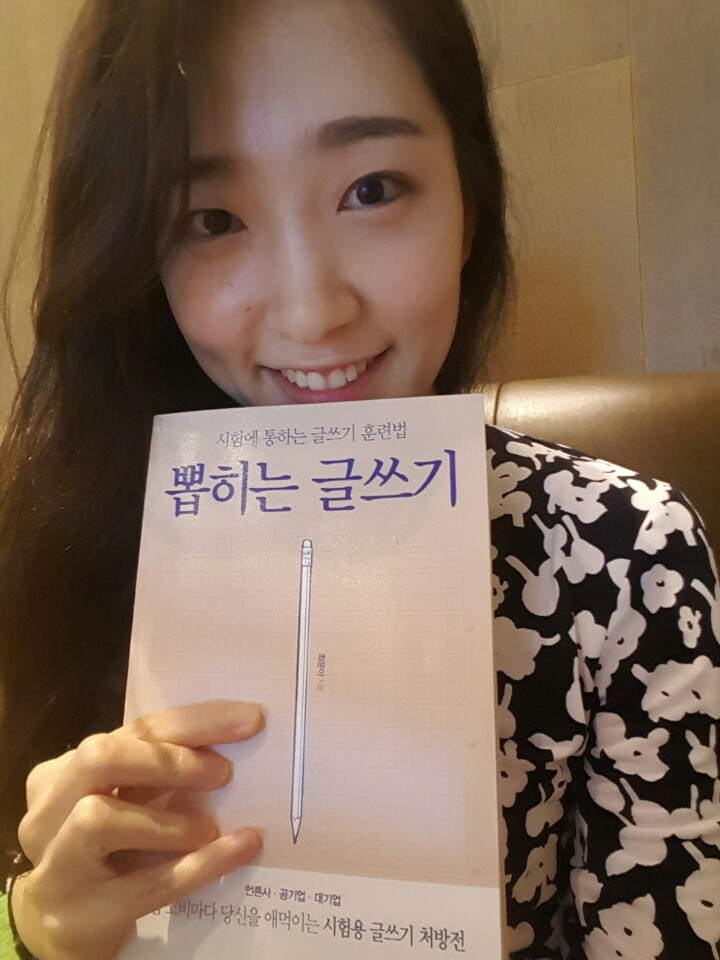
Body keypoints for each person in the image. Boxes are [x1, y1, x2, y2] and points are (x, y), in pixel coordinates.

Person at [0, 0, 717, 958]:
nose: (311, 312)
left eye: (372, 189)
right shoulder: (62, 534)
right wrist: (34, 930)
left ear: (469, 200)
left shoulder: (627, 558)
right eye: (212, 219)